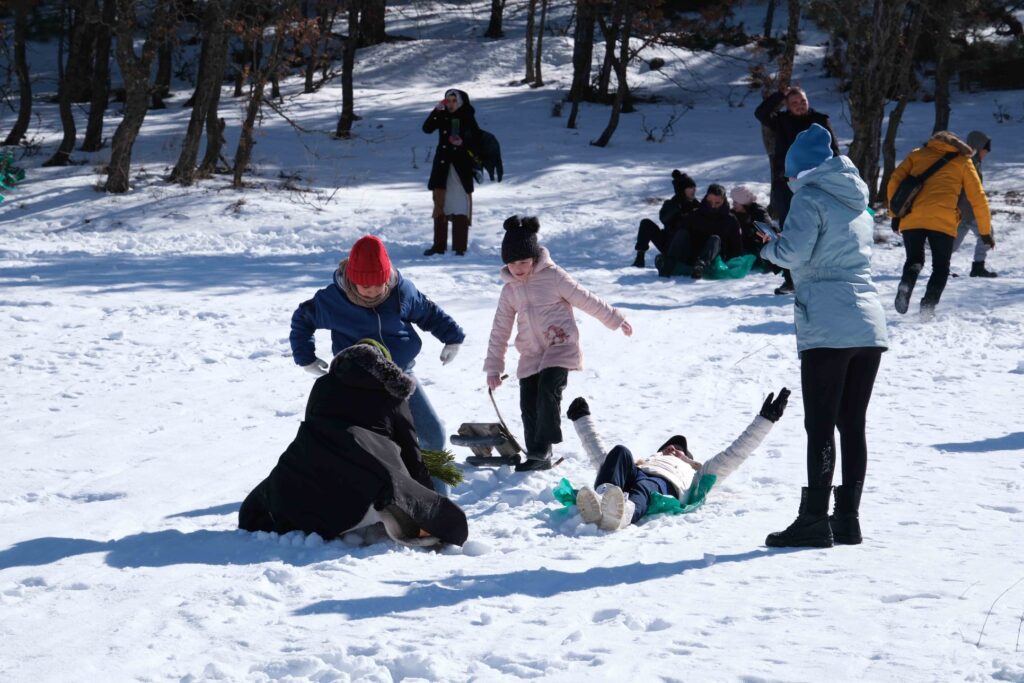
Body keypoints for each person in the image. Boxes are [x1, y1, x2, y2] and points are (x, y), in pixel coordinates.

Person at [759, 123, 889, 548]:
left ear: (801, 171)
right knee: (852, 424)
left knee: (820, 425)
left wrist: (768, 247)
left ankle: (814, 519)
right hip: (867, 325)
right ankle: (846, 519)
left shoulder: (809, 198)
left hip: (827, 324)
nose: (789, 180)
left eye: (790, 173)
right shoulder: (857, 203)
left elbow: (795, 254)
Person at [239, 341, 469, 548]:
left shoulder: (323, 384)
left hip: (308, 478)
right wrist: (425, 500)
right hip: (366, 482)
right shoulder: (391, 393)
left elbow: (312, 424)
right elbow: (410, 449)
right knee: (381, 477)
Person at [484, 216, 634, 472]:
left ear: (533, 257)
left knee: (547, 392)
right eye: (512, 263)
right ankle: (536, 454)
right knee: (528, 402)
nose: (518, 268)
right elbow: (500, 329)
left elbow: (585, 298)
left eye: (523, 261)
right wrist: (494, 367)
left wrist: (615, 318)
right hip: (531, 353)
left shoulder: (553, 277)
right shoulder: (509, 290)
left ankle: (544, 445)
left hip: (560, 347)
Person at [289, 235, 465, 451]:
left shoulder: (401, 291)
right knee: (372, 446)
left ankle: (434, 485)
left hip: (401, 377)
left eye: (378, 285)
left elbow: (429, 313)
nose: (372, 291)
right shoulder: (333, 300)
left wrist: (452, 338)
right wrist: (306, 359)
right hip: (356, 383)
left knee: (433, 435)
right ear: (352, 279)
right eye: (365, 286)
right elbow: (303, 319)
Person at [564, 390, 790, 530]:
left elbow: (733, 455)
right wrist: (582, 419)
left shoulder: (695, 474)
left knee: (646, 487)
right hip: (638, 474)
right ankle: (603, 499)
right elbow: (604, 461)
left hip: (661, 486)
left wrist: (765, 421)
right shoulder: (643, 463)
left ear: (689, 460)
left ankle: (621, 516)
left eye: (680, 450)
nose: (673, 448)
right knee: (620, 451)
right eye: (668, 447)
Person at [888, 131, 993, 318]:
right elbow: (978, 197)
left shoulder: (917, 154)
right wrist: (985, 231)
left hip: (913, 217)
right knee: (941, 267)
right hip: (943, 220)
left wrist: (895, 214)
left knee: (914, 260)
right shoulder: (963, 162)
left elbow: (895, 180)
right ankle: (928, 307)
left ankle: (906, 285)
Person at [755, 86, 841, 295]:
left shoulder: (820, 120)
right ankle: (791, 279)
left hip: (817, 184)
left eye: (802, 101)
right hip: (786, 184)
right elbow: (760, 113)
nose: (800, 106)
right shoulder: (781, 121)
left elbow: (835, 151)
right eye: (794, 103)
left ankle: (821, 276)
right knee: (789, 230)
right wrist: (780, 95)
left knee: (820, 229)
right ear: (787, 105)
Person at [422, 88, 481, 256]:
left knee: (460, 205)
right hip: (443, 168)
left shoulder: (468, 117)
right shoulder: (442, 115)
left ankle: (460, 247)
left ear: (461, 102)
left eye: (454, 100)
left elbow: (476, 142)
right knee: (441, 204)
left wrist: (462, 143)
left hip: (461, 169)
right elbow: (426, 128)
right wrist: (436, 110)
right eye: (448, 100)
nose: (451, 104)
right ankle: (439, 246)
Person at [657, 183, 743, 279]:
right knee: (682, 232)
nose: (713, 206)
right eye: (710, 202)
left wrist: (730, 263)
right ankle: (668, 265)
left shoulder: (730, 220)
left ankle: (699, 268)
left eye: (717, 203)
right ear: (706, 198)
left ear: (723, 201)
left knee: (715, 239)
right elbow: (677, 237)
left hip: (713, 258)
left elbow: (736, 247)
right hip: (691, 254)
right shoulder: (694, 215)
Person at [632, 170, 700, 268]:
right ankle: (639, 258)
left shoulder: (697, 205)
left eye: (694, 188)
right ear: (682, 189)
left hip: (687, 246)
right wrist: (676, 210)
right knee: (646, 223)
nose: (693, 190)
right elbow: (664, 219)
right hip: (668, 243)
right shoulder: (671, 204)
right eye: (690, 188)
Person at [954, 130, 997, 278]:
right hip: (968, 211)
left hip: (962, 211)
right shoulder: (969, 162)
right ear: (978, 147)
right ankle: (978, 267)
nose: (987, 152)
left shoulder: (973, 161)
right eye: (986, 148)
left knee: (951, 244)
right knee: (987, 234)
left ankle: (940, 267)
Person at [730, 185, 775, 257]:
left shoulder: (759, 213)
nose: (733, 204)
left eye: (735, 202)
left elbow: (769, 235)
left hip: (759, 251)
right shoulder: (734, 213)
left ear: (743, 203)